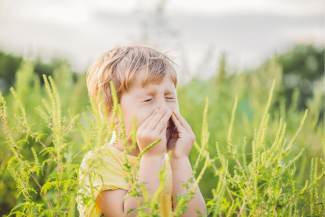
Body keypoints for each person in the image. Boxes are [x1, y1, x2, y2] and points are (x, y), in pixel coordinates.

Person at [77, 45, 206, 217]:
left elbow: (195, 214)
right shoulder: (99, 162)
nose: (164, 108)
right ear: (111, 112)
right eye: (148, 99)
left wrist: (180, 158)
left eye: (169, 97)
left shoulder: (169, 163)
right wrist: (151, 156)